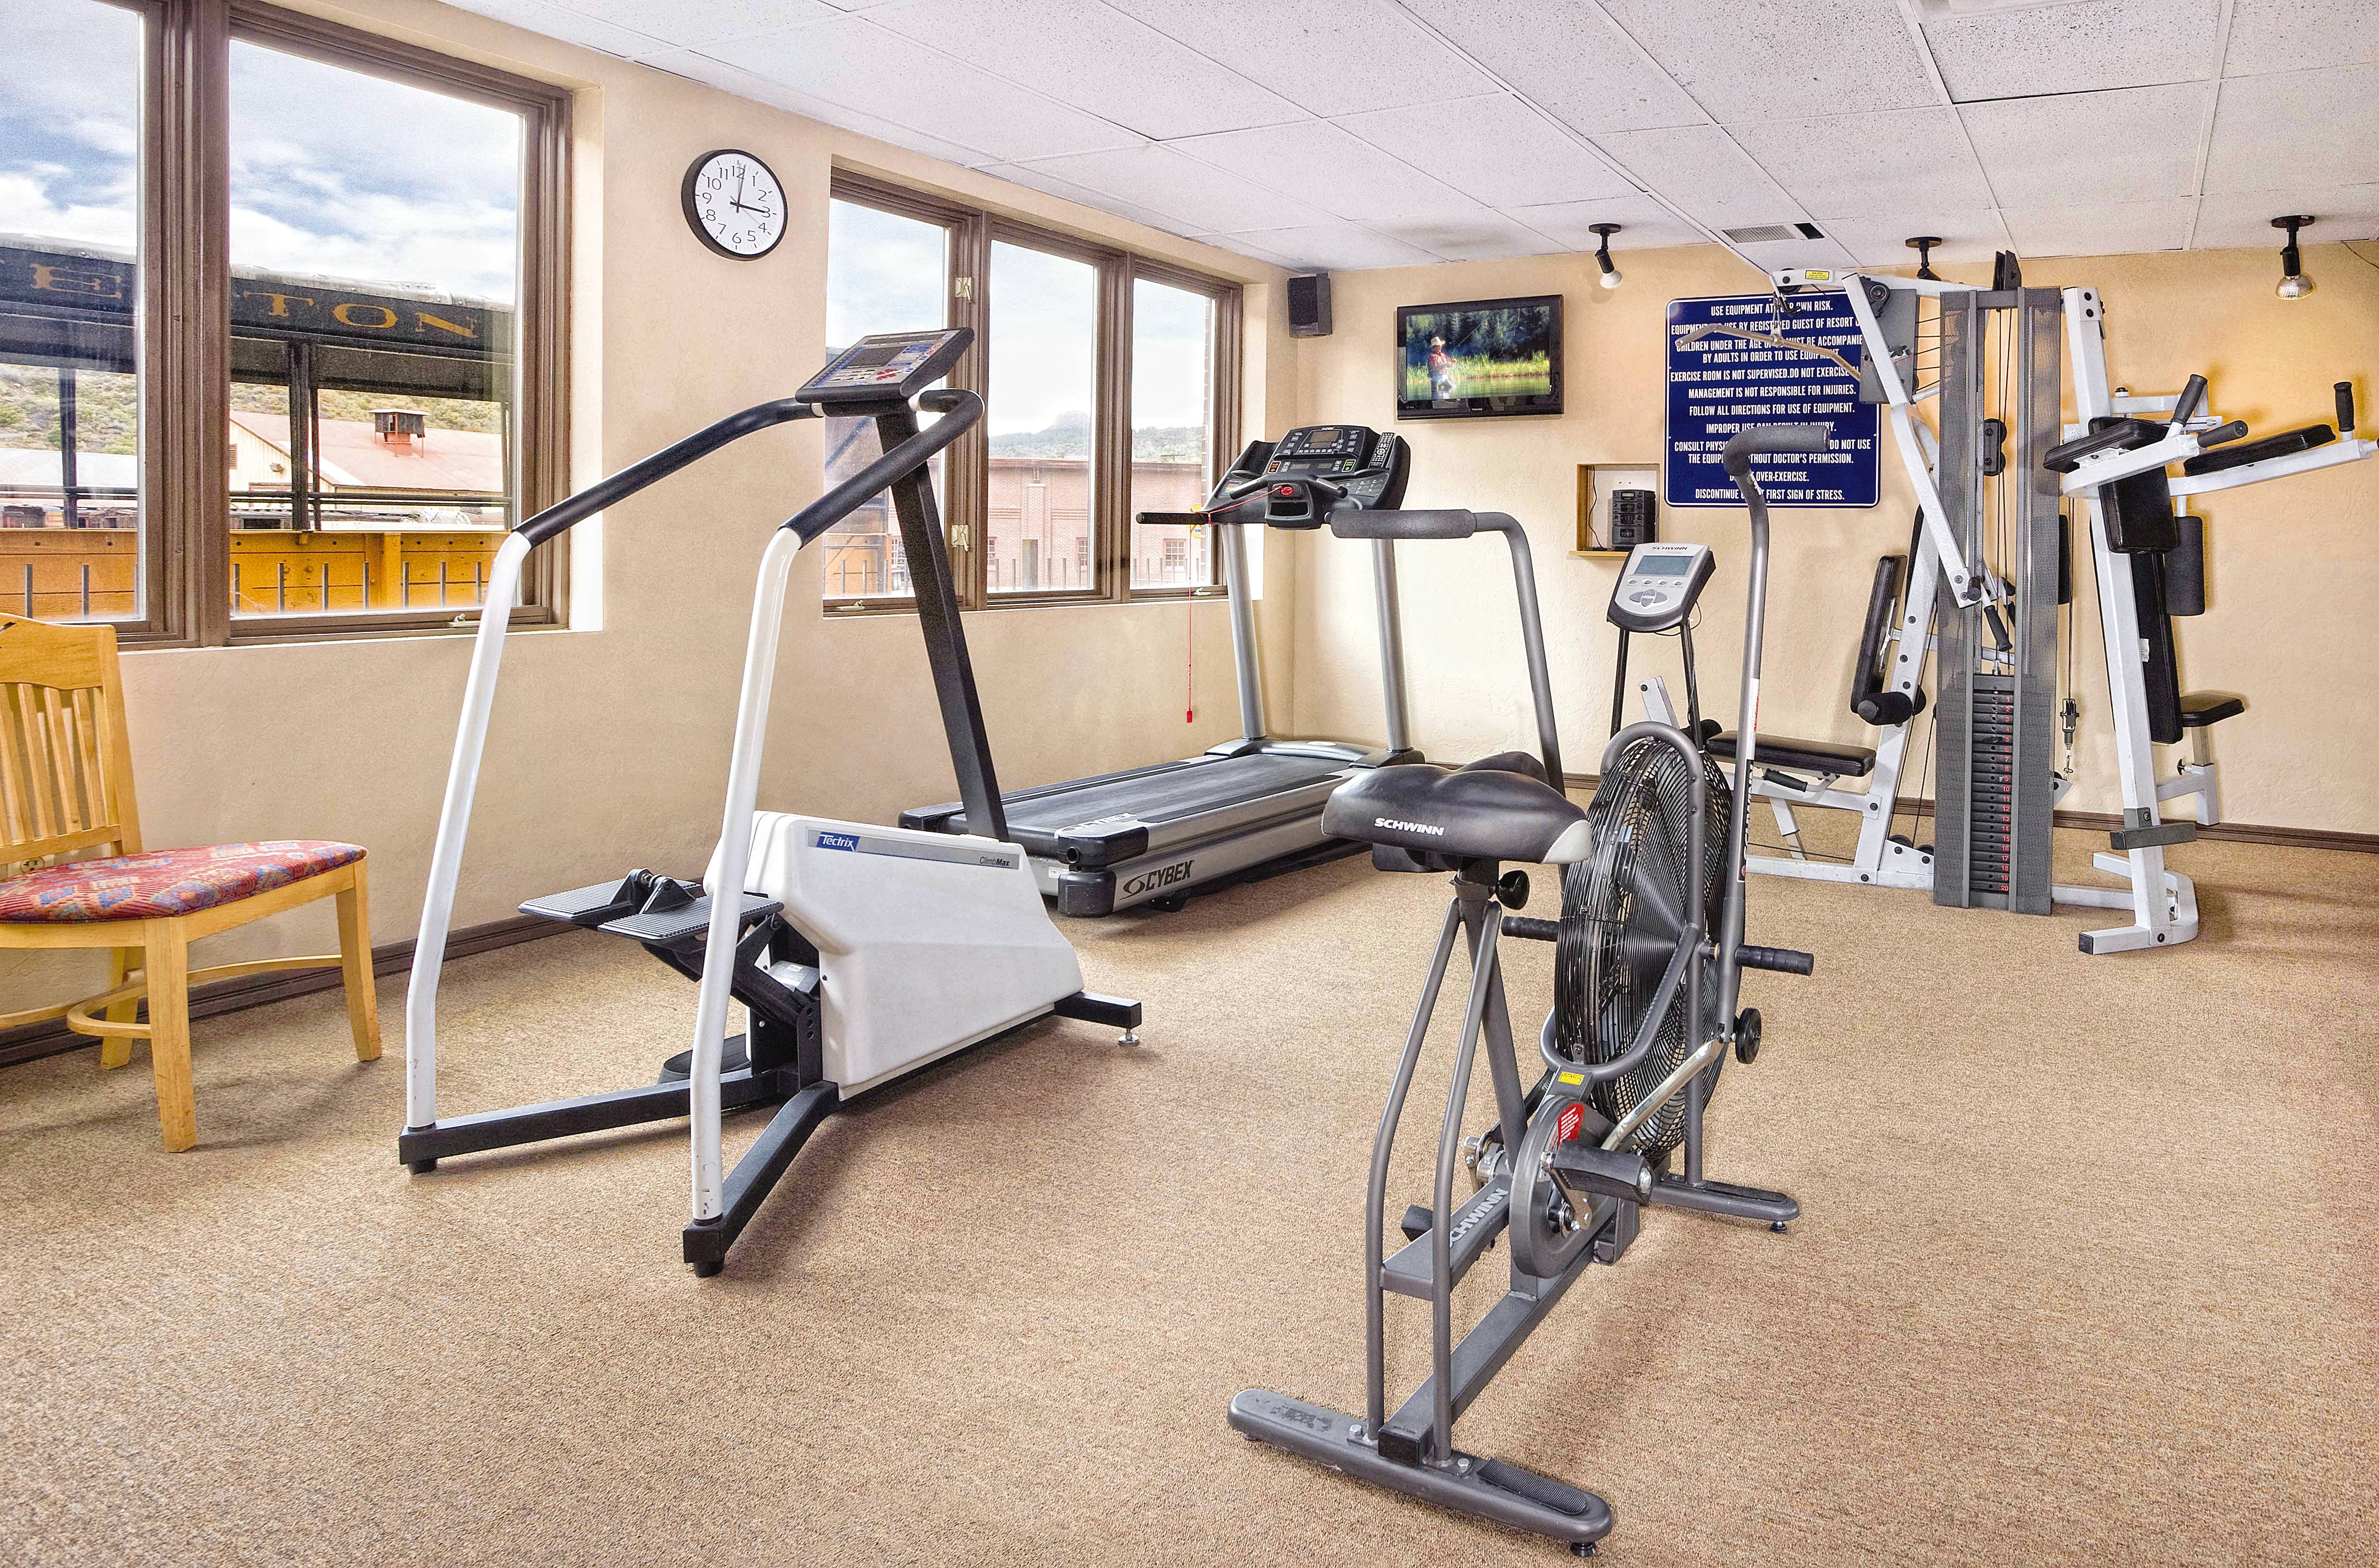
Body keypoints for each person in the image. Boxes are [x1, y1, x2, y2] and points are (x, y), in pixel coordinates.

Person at [1426, 334, 1458, 400]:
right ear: (1434, 348)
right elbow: (1434, 368)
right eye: (1438, 347)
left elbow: (1448, 366)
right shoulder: (1431, 357)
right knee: (1436, 397)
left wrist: (1452, 362)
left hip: (1445, 378)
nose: (1440, 348)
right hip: (1436, 380)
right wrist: (1445, 365)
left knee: (1453, 387)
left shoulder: (1444, 355)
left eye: (1441, 346)